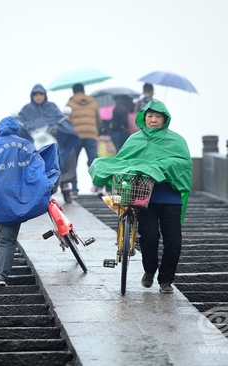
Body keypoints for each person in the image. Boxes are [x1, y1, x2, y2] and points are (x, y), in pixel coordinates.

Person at [88, 100, 192, 294]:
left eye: (158, 116)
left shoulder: (176, 140)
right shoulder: (135, 139)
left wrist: (159, 168)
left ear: (165, 119)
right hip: (144, 198)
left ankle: (166, 280)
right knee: (149, 237)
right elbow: (123, 161)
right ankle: (150, 271)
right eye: (150, 116)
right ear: (143, 118)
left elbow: (183, 164)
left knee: (174, 241)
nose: (153, 120)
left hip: (170, 198)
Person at [0, 116, 59, 287]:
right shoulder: (26, 145)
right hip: (15, 197)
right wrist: (42, 188)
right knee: (8, 239)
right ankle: (1, 276)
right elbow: (36, 169)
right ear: (16, 130)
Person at [18, 84, 78, 203]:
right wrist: (28, 131)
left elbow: (63, 122)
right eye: (36, 94)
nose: (38, 97)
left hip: (54, 142)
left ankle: (66, 187)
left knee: (68, 152)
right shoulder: (26, 110)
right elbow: (20, 124)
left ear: (45, 95)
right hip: (34, 143)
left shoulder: (52, 107)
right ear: (32, 96)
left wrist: (56, 128)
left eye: (41, 94)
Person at [66, 83, 102, 197]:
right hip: (91, 134)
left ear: (73, 91)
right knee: (94, 161)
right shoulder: (93, 102)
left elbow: (67, 121)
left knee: (73, 162)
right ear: (84, 91)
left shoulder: (70, 103)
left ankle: (75, 190)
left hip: (76, 136)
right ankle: (99, 187)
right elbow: (99, 120)